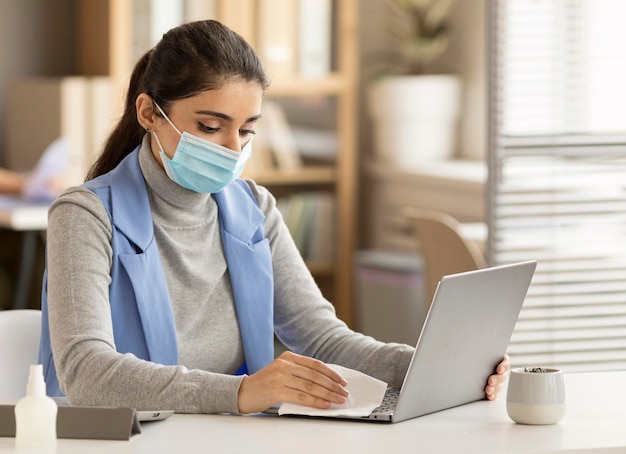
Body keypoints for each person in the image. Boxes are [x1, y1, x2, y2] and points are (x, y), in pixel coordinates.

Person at [39, 19, 509, 415]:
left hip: (233, 435)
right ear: (148, 113)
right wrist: (241, 392)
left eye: (246, 130)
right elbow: (86, 371)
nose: (232, 149)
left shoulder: (254, 208)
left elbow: (322, 339)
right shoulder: (86, 214)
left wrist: (430, 365)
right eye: (210, 126)